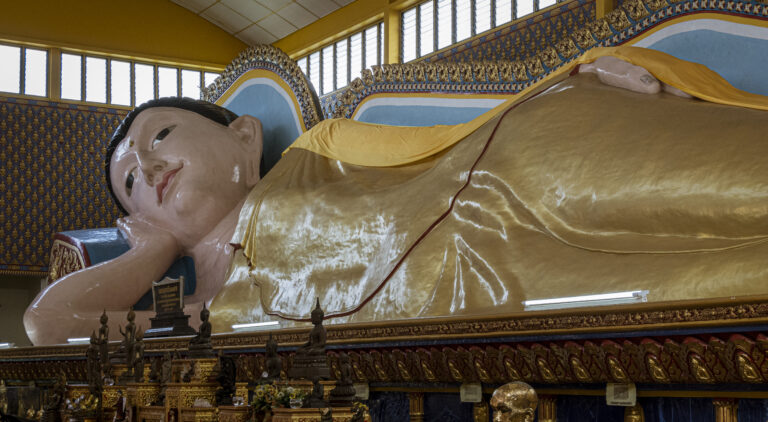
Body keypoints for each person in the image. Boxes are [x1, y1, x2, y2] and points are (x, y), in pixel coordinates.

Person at [22, 47, 768, 345]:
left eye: (160, 138)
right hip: (513, 285)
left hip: (522, 173)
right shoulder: (206, 313)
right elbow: (48, 326)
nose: (148, 168)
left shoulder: (323, 154)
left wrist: (566, 80)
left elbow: (458, 143)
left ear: (246, 137)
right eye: (130, 181)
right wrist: (154, 243)